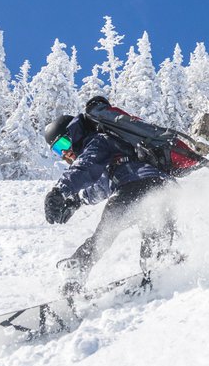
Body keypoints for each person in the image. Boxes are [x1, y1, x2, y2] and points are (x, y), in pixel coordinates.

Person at [43, 96, 182, 296]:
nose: (64, 153)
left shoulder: (98, 141)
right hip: (163, 188)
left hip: (137, 187)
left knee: (104, 234)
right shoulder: (115, 147)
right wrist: (77, 201)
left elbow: (86, 167)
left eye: (63, 143)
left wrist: (60, 191)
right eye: (58, 151)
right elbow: (100, 186)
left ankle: (75, 274)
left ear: (74, 133)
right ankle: (163, 265)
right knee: (155, 240)